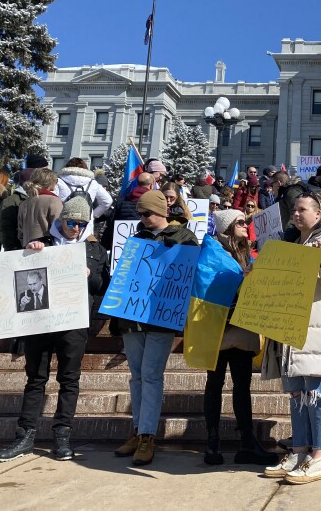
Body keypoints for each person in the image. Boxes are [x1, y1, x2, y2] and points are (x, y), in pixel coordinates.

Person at [0, 196, 110, 462]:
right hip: (40, 321)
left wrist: (90, 276)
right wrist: (29, 252)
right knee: (36, 378)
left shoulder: (95, 250)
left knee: (69, 379)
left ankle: (62, 436)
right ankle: (25, 436)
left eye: (82, 224)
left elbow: (103, 285)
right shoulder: (42, 244)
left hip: (73, 321)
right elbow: (19, 276)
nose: (77, 229)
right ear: (61, 219)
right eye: (72, 222)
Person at [261, 193, 321, 484]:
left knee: (317, 391)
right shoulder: (289, 242)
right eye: (294, 210)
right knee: (297, 393)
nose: (296, 214)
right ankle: (299, 451)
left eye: (302, 210)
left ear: (317, 212)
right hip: (291, 326)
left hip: (317, 323)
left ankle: (320, 456)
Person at [112, 190, 198, 467]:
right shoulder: (136, 239)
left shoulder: (183, 237)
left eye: (147, 213)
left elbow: (190, 271)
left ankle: (148, 435)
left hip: (161, 317)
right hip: (132, 316)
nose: (142, 218)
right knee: (136, 376)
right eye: (139, 213)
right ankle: (138, 431)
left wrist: (172, 247)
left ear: (162, 211)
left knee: (151, 375)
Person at [202, 209, 276, 466]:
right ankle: (212, 441)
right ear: (228, 227)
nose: (247, 226)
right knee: (215, 383)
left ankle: (247, 441)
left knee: (242, 386)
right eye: (241, 222)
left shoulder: (248, 254)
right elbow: (205, 283)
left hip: (242, 326)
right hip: (219, 325)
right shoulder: (212, 252)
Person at [18, 168, 64, 247]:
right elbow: (60, 227)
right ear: (51, 181)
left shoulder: (24, 203)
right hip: (47, 248)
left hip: (27, 248)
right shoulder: (53, 200)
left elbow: (20, 233)